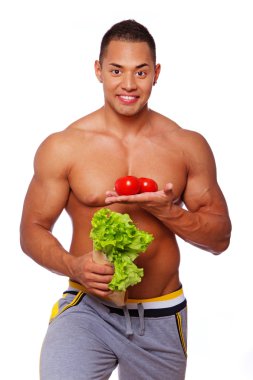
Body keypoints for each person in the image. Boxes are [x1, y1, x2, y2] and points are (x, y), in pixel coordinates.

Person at [20, 19, 231, 380]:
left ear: (157, 73)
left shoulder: (186, 145)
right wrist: (74, 267)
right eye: (117, 70)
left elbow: (219, 239)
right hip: (87, 310)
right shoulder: (64, 146)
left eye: (141, 71)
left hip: (161, 316)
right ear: (99, 70)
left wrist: (168, 212)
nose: (129, 85)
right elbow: (32, 230)